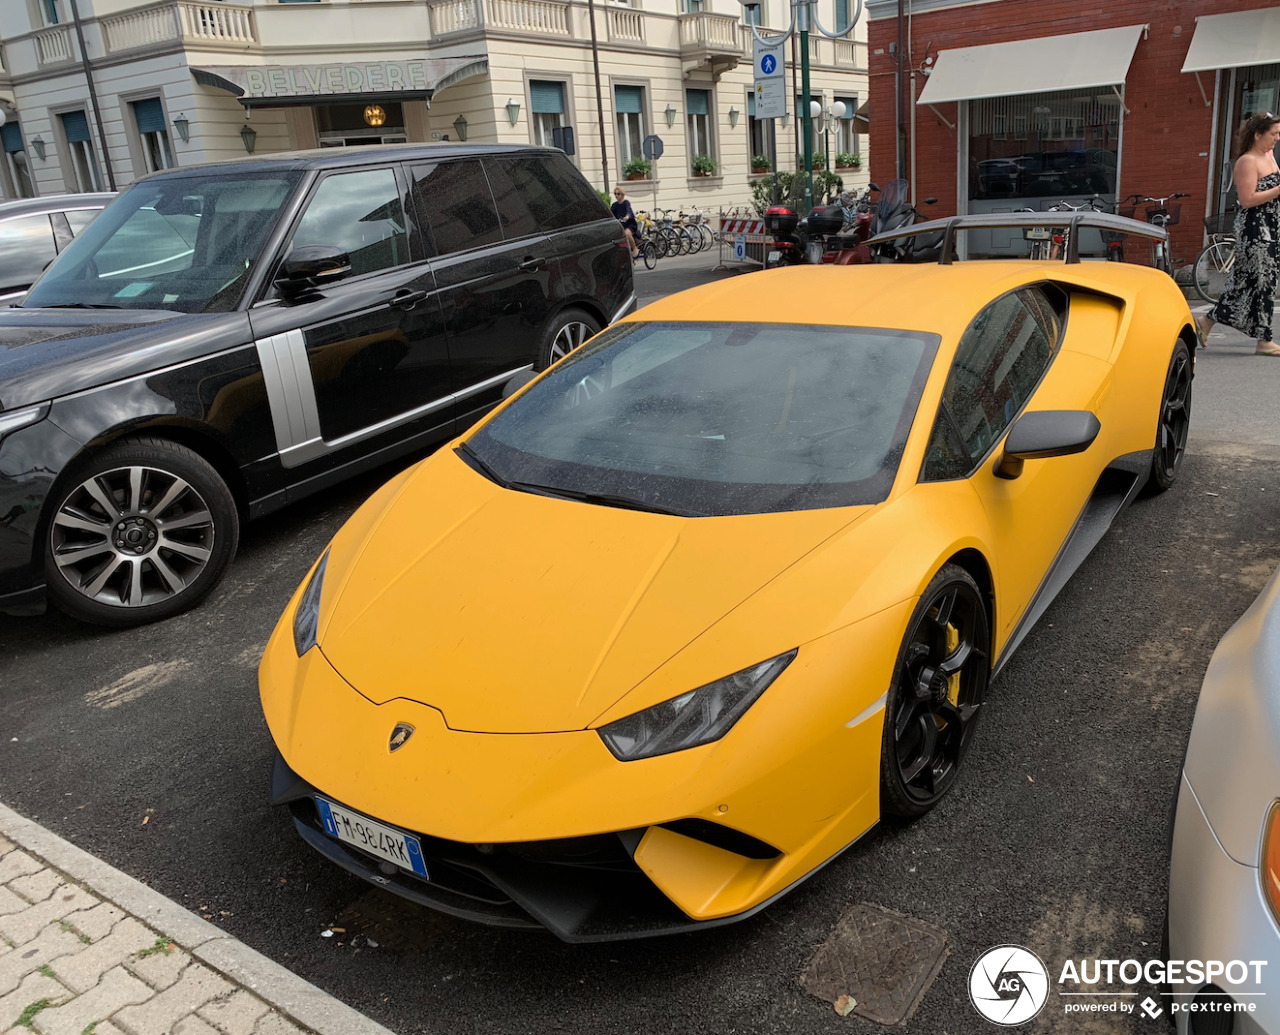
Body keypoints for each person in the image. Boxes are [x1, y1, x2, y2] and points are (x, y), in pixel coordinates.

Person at [1197, 111, 1280, 355]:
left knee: (1248, 283)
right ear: (1258, 135)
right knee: (1263, 282)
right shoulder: (1247, 162)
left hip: (1270, 227)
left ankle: (1207, 321)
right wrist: (1277, 191)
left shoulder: (1268, 157)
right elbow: (1246, 199)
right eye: (1273, 133)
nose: (1277, 138)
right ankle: (1264, 341)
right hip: (1254, 230)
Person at [611, 187, 640, 260]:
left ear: (622, 194)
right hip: (621, 225)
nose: (616, 195)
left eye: (618, 194)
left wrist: (627, 216)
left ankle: (634, 248)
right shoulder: (614, 205)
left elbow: (628, 210)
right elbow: (610, 213)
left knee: (627, 234)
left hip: (630, 224)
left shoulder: (626, 202)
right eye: (615, 194)